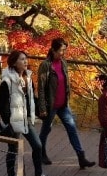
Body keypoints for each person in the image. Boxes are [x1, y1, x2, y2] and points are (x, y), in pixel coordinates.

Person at [0, 50, 55, 176]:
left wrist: (41, 111)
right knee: (13, 148)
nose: (25, 61)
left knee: (37, 145)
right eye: (22, 59)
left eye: (25, 58)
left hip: (26, 119)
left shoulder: (28, 78)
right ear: (14, 62)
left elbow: (31, 98)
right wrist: (8, 122)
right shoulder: (7, 81)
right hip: (13, 120)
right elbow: (1, 104)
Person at [37, 38, 95, 169]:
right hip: (51, 105)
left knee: (72, 128)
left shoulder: (63, 62)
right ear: (53, 50)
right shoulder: (45, 65)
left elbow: (65, 83)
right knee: (46, 130)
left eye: (64, 50)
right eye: (61, 50)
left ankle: (81, 157)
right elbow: (41, 88)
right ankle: (41, 153)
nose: (63, 53)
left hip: (63, 105)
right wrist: (42, 108)